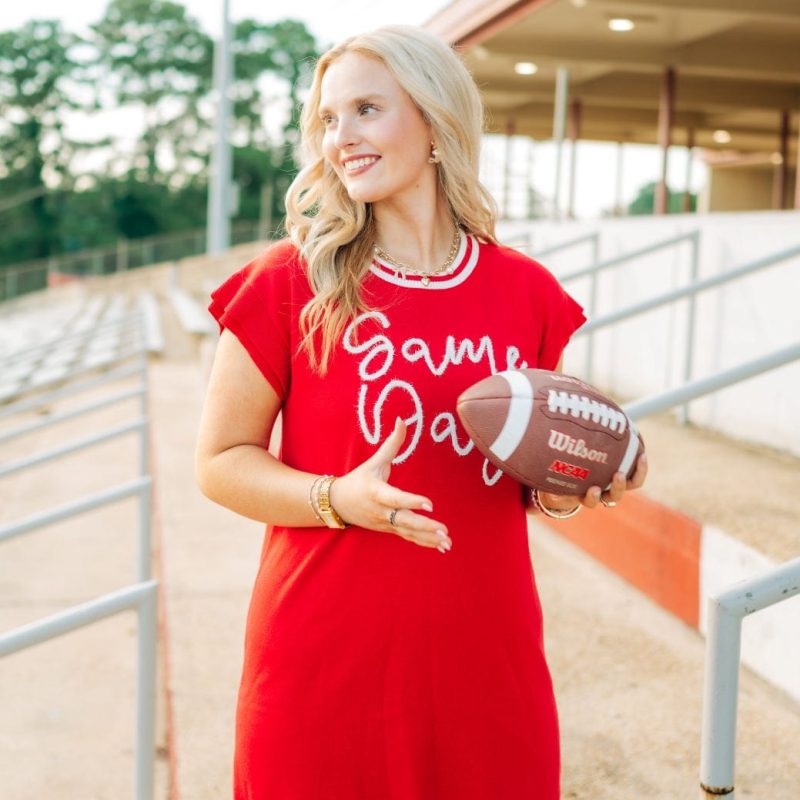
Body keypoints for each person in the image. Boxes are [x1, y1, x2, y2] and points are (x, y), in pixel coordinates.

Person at [195, 24, 647, 800]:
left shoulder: (527, 293)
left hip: (485, 666)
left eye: (367, 109)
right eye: (329, 119)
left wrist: (574, 485)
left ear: (436, 124)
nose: (342, 138)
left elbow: (524, 474)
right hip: (320, 665)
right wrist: (337, 498)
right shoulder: (289, 283)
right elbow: (218, 462)